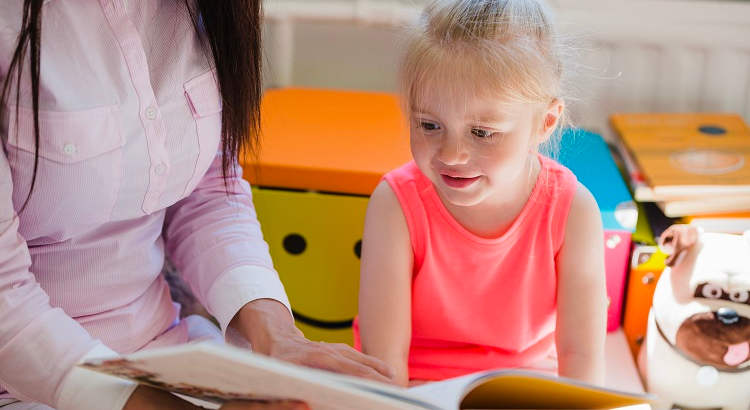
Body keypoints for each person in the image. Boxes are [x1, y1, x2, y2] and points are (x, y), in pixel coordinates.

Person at [0, 1, 391, 409]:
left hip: (170, 356)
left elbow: (208, 195)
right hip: (30, 384)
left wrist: (279, 339)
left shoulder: (204, 11)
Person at [355, 0, 607, 387]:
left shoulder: (573, 209)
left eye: (482, 133)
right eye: (429, 125)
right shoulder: (395, 204)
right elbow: (385, 361)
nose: (452, 155)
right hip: (413, 387)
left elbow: (581, 356)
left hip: (523, 387)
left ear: (545, 122)